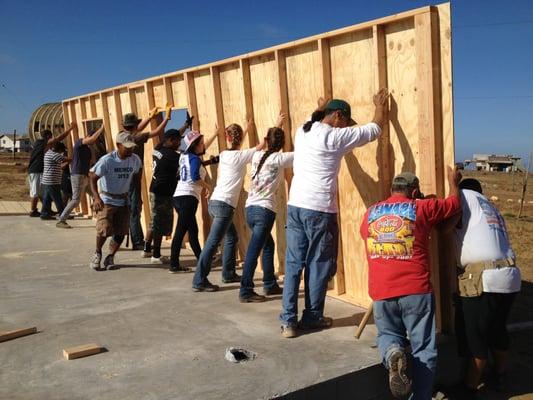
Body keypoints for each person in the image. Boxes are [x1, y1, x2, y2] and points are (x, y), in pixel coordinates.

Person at [279, 90, 388, 339]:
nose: (346, 127)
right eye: (346, 121)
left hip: (296, 205)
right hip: (319, 210)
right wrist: (379, 106)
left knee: (294, 264)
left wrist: (321, 106)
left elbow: (314, 115)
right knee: (318, 264)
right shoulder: (334, 137)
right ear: (338, 116)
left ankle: (287, 322)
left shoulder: (303, 130)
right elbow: (375, 128)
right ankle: (313, 317)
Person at [359, 167, 462, 400]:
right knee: (424, 349)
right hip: (416, 291)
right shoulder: (421, 207)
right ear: (414, 191)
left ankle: (393, 353)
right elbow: (454, 204)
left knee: (388, 335)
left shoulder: (371, 213)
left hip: (382, 291)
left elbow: (364, 235)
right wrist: (453, 182)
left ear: (392, 190)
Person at [451, 178, 521, 397]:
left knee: (476, 337)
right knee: (497, 328)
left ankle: (469, 389)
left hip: (484, 277)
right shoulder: (490, 206)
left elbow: (448, 209)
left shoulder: (464, 197)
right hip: (509, 276)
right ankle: (499, 375)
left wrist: (452, 183)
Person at [192, 118, 265, 292]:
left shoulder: (225, 154)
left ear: (228, 138)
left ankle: (228, 273)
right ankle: (199, 280)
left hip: (215, 202)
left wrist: (245, 130)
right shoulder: (242, 156)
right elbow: (262, 145)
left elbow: (238, 146)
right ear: (239, 139)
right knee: (212, 243)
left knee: (231, 237)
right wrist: (276, 124)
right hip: (224, 206)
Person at [239, 113, 292, 302]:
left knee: (267, 245)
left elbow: (268, 142)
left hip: (250, 210)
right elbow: (304, 155)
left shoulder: (257, 156)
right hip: (264, 211)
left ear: (266, 140)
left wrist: (276, 125)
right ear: (282, 144)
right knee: (254, 251)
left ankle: (269, 284)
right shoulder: (279, 159)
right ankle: (245, 291)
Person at [112, 105, 172, 251]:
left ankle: (118, 237)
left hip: (123, 178)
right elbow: (156, 132)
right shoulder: (136, 138)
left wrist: (150, 118)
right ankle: (137, 241)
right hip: (133, 179)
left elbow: (137, 128)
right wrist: (167, 119)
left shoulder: (122, 135)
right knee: (134, 209)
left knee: (127, 208)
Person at [88, 132, 142, 271]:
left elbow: (137, 178)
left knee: (121, 232)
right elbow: (93, 177)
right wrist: (96, 198)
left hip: (123, 200)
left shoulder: (135, 160)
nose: (130, 149)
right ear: (118, 145)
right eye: (127, 147)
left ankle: (110, 256)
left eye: (132, 147)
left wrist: (136, 198)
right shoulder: (107, 160)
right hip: (107, 200)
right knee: (104, 230)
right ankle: (98, 253)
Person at [169, 128, 218, 273]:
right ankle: (174, 264)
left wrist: (214, 134)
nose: (204, 145)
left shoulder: (185, 155)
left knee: (193, 230)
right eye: (201, 143)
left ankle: (202, 258)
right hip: (188, 199)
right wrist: (208, 186)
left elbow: (200, 152)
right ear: (195, 145)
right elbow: (195, 177)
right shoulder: (195, 159)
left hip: (178, 197)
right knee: (180, 232)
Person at [142, 128, 183, 264]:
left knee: (154, 220)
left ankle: (147, 248)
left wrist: (183, 126)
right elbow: (187, 160)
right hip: (163, 193)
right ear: (171, 141)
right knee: (159, 223)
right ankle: (156, 254)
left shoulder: (158, 148)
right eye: (178, 141)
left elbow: (170, 136)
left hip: (154, 190)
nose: (179, 144)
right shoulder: (171, 156)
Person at [56, 124, 104, 228]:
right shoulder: (79, 143)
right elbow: (91, 140)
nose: (93, 142)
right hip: (77, 175)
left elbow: (92, 162)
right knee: (76, 200)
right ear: (87, 137)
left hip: (85, 176)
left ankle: (100, 217)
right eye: (91, 139)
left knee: (96, 196)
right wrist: (101, 128)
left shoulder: (88, 149)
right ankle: (61, 220)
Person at [27, 123, 75, 217]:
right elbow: (58, 138)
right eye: (51, 137)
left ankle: (46, 211)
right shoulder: (42, 143)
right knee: (36, 192)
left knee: (45, 193)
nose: (53, 140)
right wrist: (70, 129)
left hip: (39, 171)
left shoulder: (40, 144)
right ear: (48, 136)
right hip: (36, 171)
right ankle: (33, 211)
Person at [40, 142, 71, 220]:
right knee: (58, 199)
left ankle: (44, 214)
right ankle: (63, 214)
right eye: (62, 151)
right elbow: (66, 159)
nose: (62, 152)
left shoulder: (48, 153)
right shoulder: (54, 155)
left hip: (47, 180)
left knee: (47, 199)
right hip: (52, 181)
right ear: (59, 150)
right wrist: (74, 158)